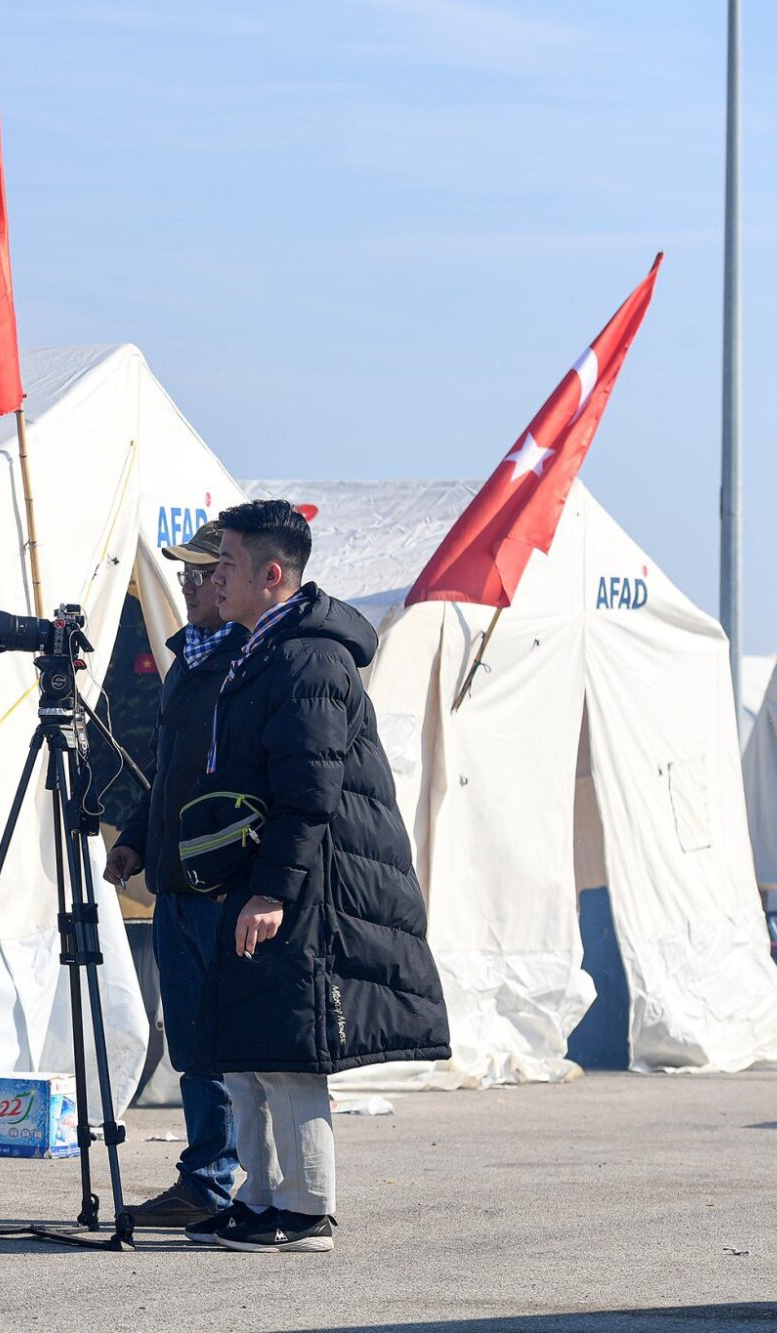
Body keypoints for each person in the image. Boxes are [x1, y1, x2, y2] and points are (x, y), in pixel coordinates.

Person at [190, 499, 449, 1254]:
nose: (216, 577)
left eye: (229, 565)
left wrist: (272, 889)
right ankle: (260, 1197)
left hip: (305, 886)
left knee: (291, 1053)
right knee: (247, 1050)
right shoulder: (260, 648)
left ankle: (307, 1212)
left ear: (272, 574)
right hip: (262, 874)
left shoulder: (309, 656)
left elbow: (310, 788)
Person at [103, 521, 249, 1228]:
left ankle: (236, 1182)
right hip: (178, 884)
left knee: (230, 1041)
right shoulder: (191, 659)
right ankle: (206, 1179)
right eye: (187, 575)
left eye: (200, 574)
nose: (190, 585)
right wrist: (135, 838)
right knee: (191, 1038)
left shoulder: (250, 660)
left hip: (225, 885)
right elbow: (168, 772)